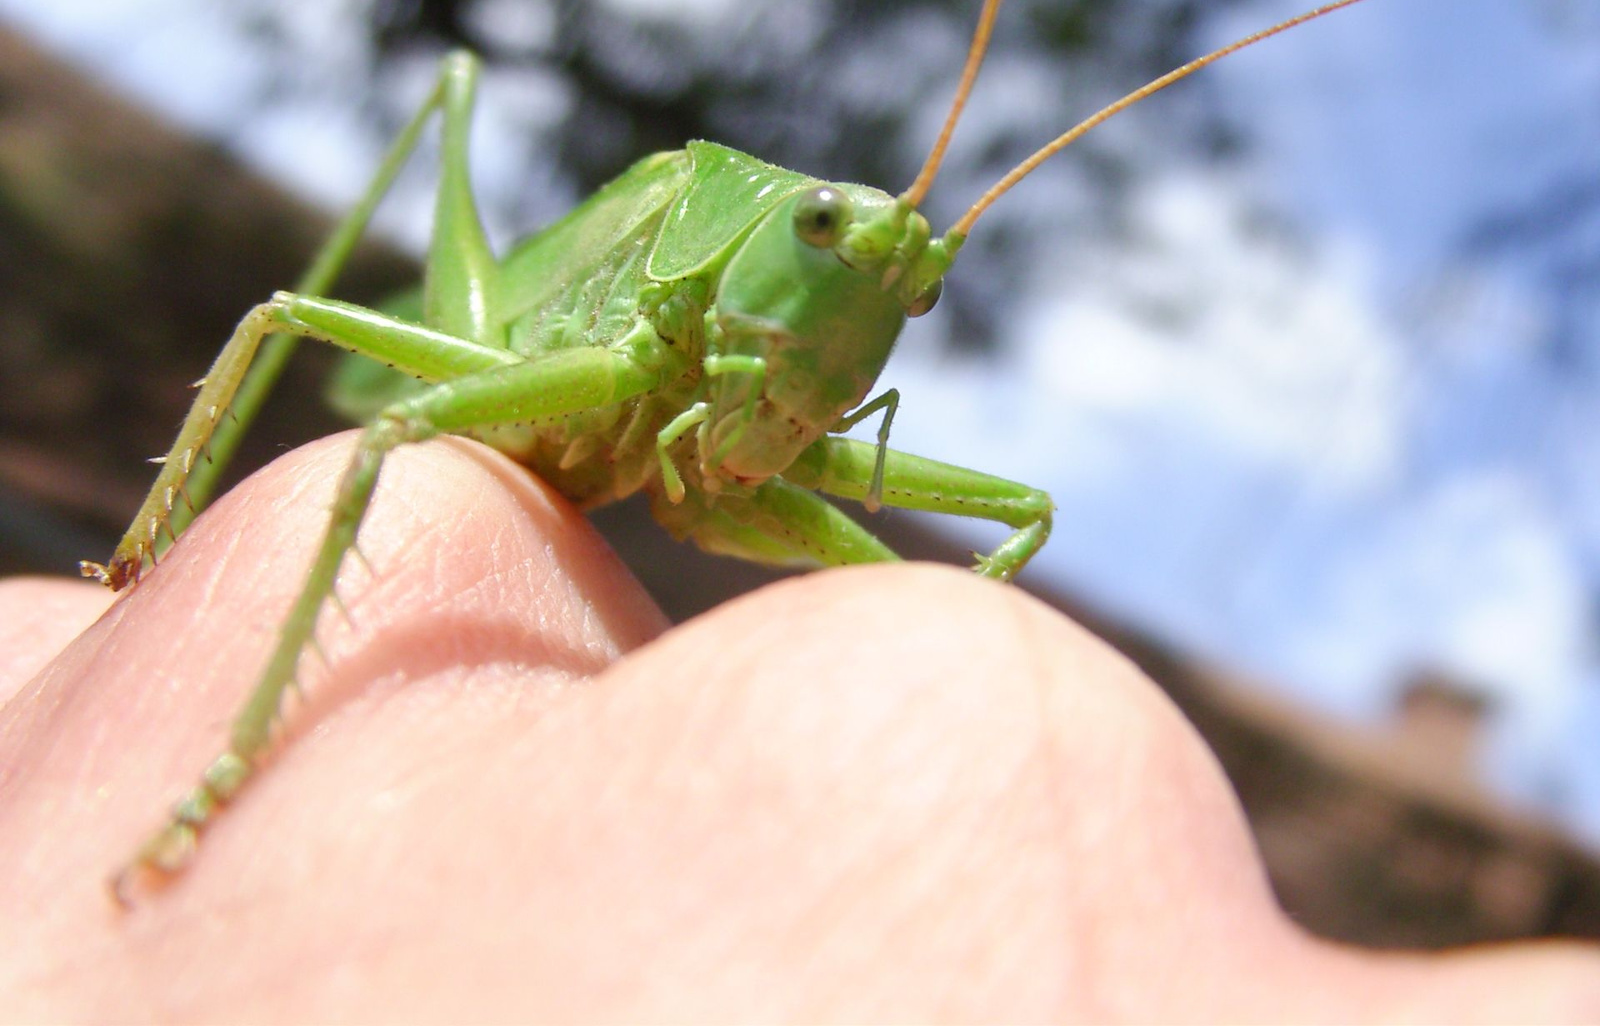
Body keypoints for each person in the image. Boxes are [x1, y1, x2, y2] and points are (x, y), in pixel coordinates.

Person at [4, 433, 1597, 1020]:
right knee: (365, 401)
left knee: (981, 558)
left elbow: (995, 547)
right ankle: (188, 646)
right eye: (842, 248)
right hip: (506, 351)